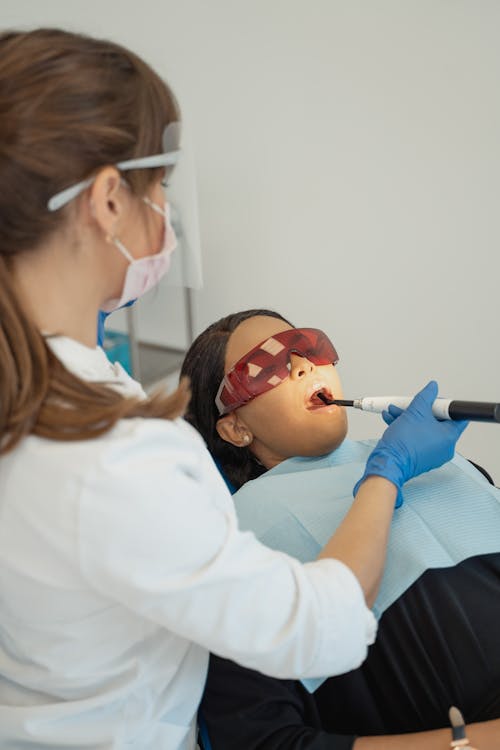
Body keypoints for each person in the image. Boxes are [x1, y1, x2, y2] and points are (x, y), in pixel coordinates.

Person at [0, 27, 471, 750]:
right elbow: (321, 630)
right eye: (158, 186)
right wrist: (386, 473)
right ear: (106, 202)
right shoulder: (115, 458)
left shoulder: (80, 398)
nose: (307, 367)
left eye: (309, 348)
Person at [180, 309, 500, 749]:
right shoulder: (236, 540)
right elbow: (260, 739)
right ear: (235, 428)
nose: (302, 365)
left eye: (307, 346)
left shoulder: (446, 464)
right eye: (266, 366)